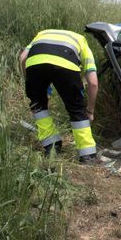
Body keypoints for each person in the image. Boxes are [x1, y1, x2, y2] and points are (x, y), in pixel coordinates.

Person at [19, 29, 99, 162]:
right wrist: (90, 110)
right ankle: (87, 155)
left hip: (34, 64)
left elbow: (22, 58)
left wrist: (30, 82)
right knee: (76, 109)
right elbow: (93, 83)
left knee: (38, 105)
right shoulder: (81, 40)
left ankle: (52, 146)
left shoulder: (41, 34)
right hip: (66, 66)